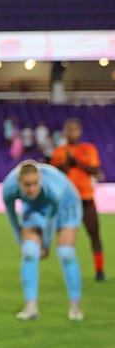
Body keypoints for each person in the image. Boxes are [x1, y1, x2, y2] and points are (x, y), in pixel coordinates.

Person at [2, 160, 84, 321]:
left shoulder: (54, 189)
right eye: (27, 185)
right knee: (30, 253)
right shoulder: (8, 188)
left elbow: (51, 219)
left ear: (40, 179)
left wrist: (45, 246)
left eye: (35, 183)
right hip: (34, 206)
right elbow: (12, 217)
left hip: (66, 204)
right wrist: (21, 242)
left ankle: (76, 307)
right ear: (19, 182)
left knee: (66, 253)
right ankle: (31, 307)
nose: (31, 189)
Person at [49, 118, 104, 280]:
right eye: (69, 129)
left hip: (86, 198)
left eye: (74, 129)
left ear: (79, 131)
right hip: (67, 201)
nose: (72, 133)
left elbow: (95, 170)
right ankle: (70, 272)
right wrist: (67, 164)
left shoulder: (89, 148)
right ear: (65, 132)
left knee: (94, 234)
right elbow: (55, 174)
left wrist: (77, 163)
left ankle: (100, 271)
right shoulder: (59, 151)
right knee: (66, 238)